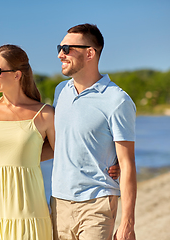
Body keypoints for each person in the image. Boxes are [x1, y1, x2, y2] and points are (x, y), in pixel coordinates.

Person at [50, 23, 137, 240]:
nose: (61, 54)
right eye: (60, 48)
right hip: (58, 203)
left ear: (90, 53)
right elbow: (58, 144)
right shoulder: (60, 92)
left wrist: (127, 223)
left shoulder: (117, 100)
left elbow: (127, 164)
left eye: (68, 48)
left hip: (97, 203)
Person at [0, 44, 56, 240]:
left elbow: (64, 154)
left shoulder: (45, 114)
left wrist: (112, 162)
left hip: (30, 212)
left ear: (17, 75)